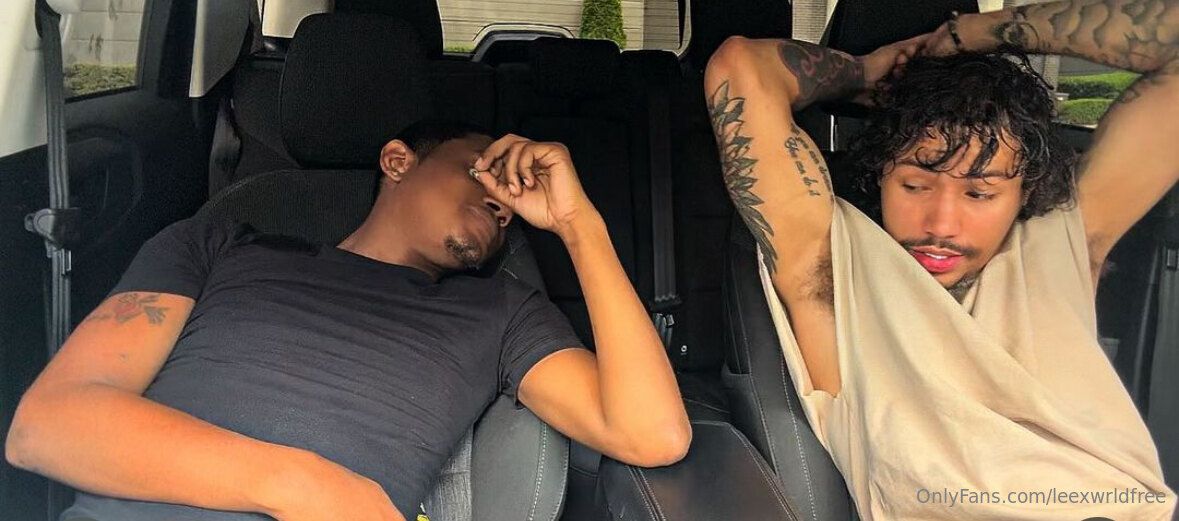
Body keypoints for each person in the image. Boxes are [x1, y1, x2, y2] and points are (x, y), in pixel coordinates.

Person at [5, 120, 691, 521]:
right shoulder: (217, 244)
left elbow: (652, 433)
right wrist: (299, 482)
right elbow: (47, 425)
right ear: (397, 161)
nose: (504, 205)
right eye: (484, 174)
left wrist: (577, 224)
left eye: (514, 205)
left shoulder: (503, 311)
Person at [705, 0, 1177, 519]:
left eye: (980, 194)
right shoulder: (834, 268)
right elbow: (741, 67)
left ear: (1025, 192)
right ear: (881, 173)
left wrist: (976, 33)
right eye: (914, 185)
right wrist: (866, 71)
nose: (941, 225)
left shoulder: (1059, 240)